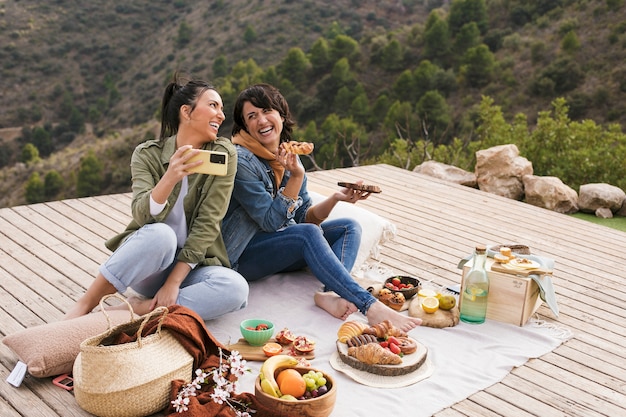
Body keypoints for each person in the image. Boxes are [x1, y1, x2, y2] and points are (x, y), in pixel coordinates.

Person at [221, 83, 421, 332]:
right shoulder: (242, 161)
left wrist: (336, 198)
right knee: (308, 235)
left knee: (349, 226)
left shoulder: (288, 157)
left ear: (281, 115)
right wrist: (296, 177)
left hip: (280, 247)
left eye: (266, 110)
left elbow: (305, 217)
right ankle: (370, 306)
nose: (261, 120)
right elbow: (272, 223)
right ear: (245, 127)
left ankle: (329, 294)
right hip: (244, 255)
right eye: (252, 116)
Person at [64, 73, 249, 321]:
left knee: (236, 288)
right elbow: (141, 214)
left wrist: (173, 283)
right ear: (187, 111)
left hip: (191, 266)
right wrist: (170, 177)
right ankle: (85, 304)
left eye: (222, 108)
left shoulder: (224, 153)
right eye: (213, 105)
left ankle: (143, 310)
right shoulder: (147, 154)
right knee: (162, 235)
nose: (221, 115)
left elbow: (209, 221)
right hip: (152, 265)